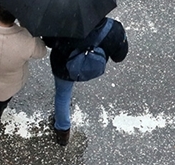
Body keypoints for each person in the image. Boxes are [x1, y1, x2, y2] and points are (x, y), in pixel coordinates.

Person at [43, 17, 129, 146]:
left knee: (62, 96)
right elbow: (119, 56)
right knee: (63, 96)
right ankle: (62, 133)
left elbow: (49, 42)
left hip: (63, 67)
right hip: (90, 66)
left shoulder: (62, 22)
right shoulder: (114, 29)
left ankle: (63, 132)